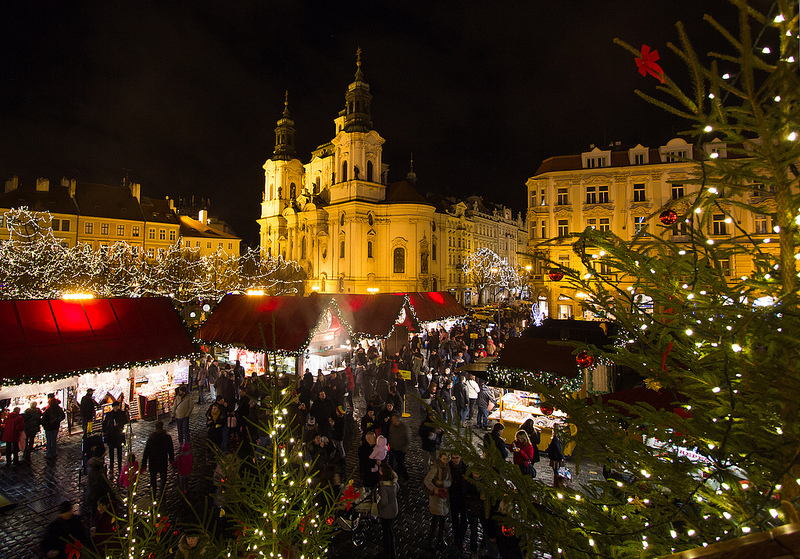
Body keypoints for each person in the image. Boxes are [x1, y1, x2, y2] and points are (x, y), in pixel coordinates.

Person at [424, 451, 452, 549]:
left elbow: (450, 482)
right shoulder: (435, 468)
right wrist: (434, 489)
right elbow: (427, 480)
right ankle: (431, 541)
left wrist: (444, 483)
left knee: (442, 521)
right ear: (440, 458)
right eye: (443, 458)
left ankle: (440, 539)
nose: (445, 461)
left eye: (446, 459)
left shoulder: (447, 468)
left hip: (444, 498)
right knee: (435, 521)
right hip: (437, 498)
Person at [141, 421, 175, 497]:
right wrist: (172, 459)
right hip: (163, 461)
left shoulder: (151, 439)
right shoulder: (167, 438)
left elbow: (146, 452)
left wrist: (144, 464)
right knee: (163, 479)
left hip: (153, 462)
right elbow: (171, 450)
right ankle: (162, 494)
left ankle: (153, 494)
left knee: (153, 479)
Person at [376, 463, 400, 559]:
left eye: (380, 470)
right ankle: (392, 550)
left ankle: (387, 552)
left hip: (387, 512)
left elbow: (384, 501)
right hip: (394, 509)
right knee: (390, 530)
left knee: (386, 532)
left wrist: (378, 506)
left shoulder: (383, 486)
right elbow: (398, 488)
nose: (379, 471)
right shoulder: (393, 481)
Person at [449, 453, 469, 550]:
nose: (455, 460)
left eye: (457, 458)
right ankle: (456, 535)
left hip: (463, 496)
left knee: (464, 519)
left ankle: (462, 538)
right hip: (453, 495)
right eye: (453, 458)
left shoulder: (465, 467)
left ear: (460, 457)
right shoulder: (449, 466)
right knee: (454, 517)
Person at [101, 401, 128, 475]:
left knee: (119, 451)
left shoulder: (122, 413)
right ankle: (111, 466)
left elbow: (125, 421)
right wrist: (104, 431)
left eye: (117, 406)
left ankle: (119, 466)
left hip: (118, 434)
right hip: (111, 435)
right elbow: (105, 423)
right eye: (114, 407)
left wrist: (119, 424)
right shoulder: (109, 414)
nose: (116, 408)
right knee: (111, 451)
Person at [387, 413, 410, 481]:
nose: (392, 420)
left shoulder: (404, 427)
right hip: (394, 448)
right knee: (399, 463)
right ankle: (398, 475)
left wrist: (404, 448)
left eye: (394, 419)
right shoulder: (392, 426)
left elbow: (407, 439)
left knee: (400, 463)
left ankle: (405, 477)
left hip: (401, 449)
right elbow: (390, 436)